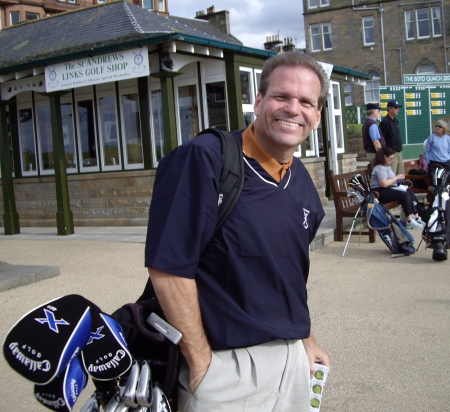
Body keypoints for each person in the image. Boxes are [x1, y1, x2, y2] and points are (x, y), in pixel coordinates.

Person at [144, 52, 330, 412]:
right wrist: (201, 364)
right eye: (281, 97)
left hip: (292, 364)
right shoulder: (203, 159)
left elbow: (284, 275)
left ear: (317, 117)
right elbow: (168, 268)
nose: (293, 108)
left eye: (306, 102)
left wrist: (305, 338)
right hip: (225, 369)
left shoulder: (302, 181)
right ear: (259, 102)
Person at [371, 147, 425, 229]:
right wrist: (396, 177)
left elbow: (390, 181)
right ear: (384, 157)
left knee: (410, 193)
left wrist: (399, 180)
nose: (392, 160)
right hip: (380, 193)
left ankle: (416, 217)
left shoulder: (387, 167)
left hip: (388, 189)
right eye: (391, 158)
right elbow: (384, 184)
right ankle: (410, 221)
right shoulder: (380, 168)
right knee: (404, 195)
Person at [380, 99, 405, 175]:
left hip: (399, 152)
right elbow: (381, 139)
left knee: (401, 175)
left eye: (398, 108)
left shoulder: (396, 121)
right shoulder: (385, 122)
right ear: (389, 109)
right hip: (391, 154)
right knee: (392, 175)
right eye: (395, 107)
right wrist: (386, 154)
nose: (397, 109)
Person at [362, 102, 385, 167]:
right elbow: (376, 142)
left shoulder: (366, 123)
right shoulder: (372, 124)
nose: (379, 113)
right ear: (374, 112)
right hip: (375, 154)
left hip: (371, 153)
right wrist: (381, 156)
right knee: (380, 174)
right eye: (378, 111)